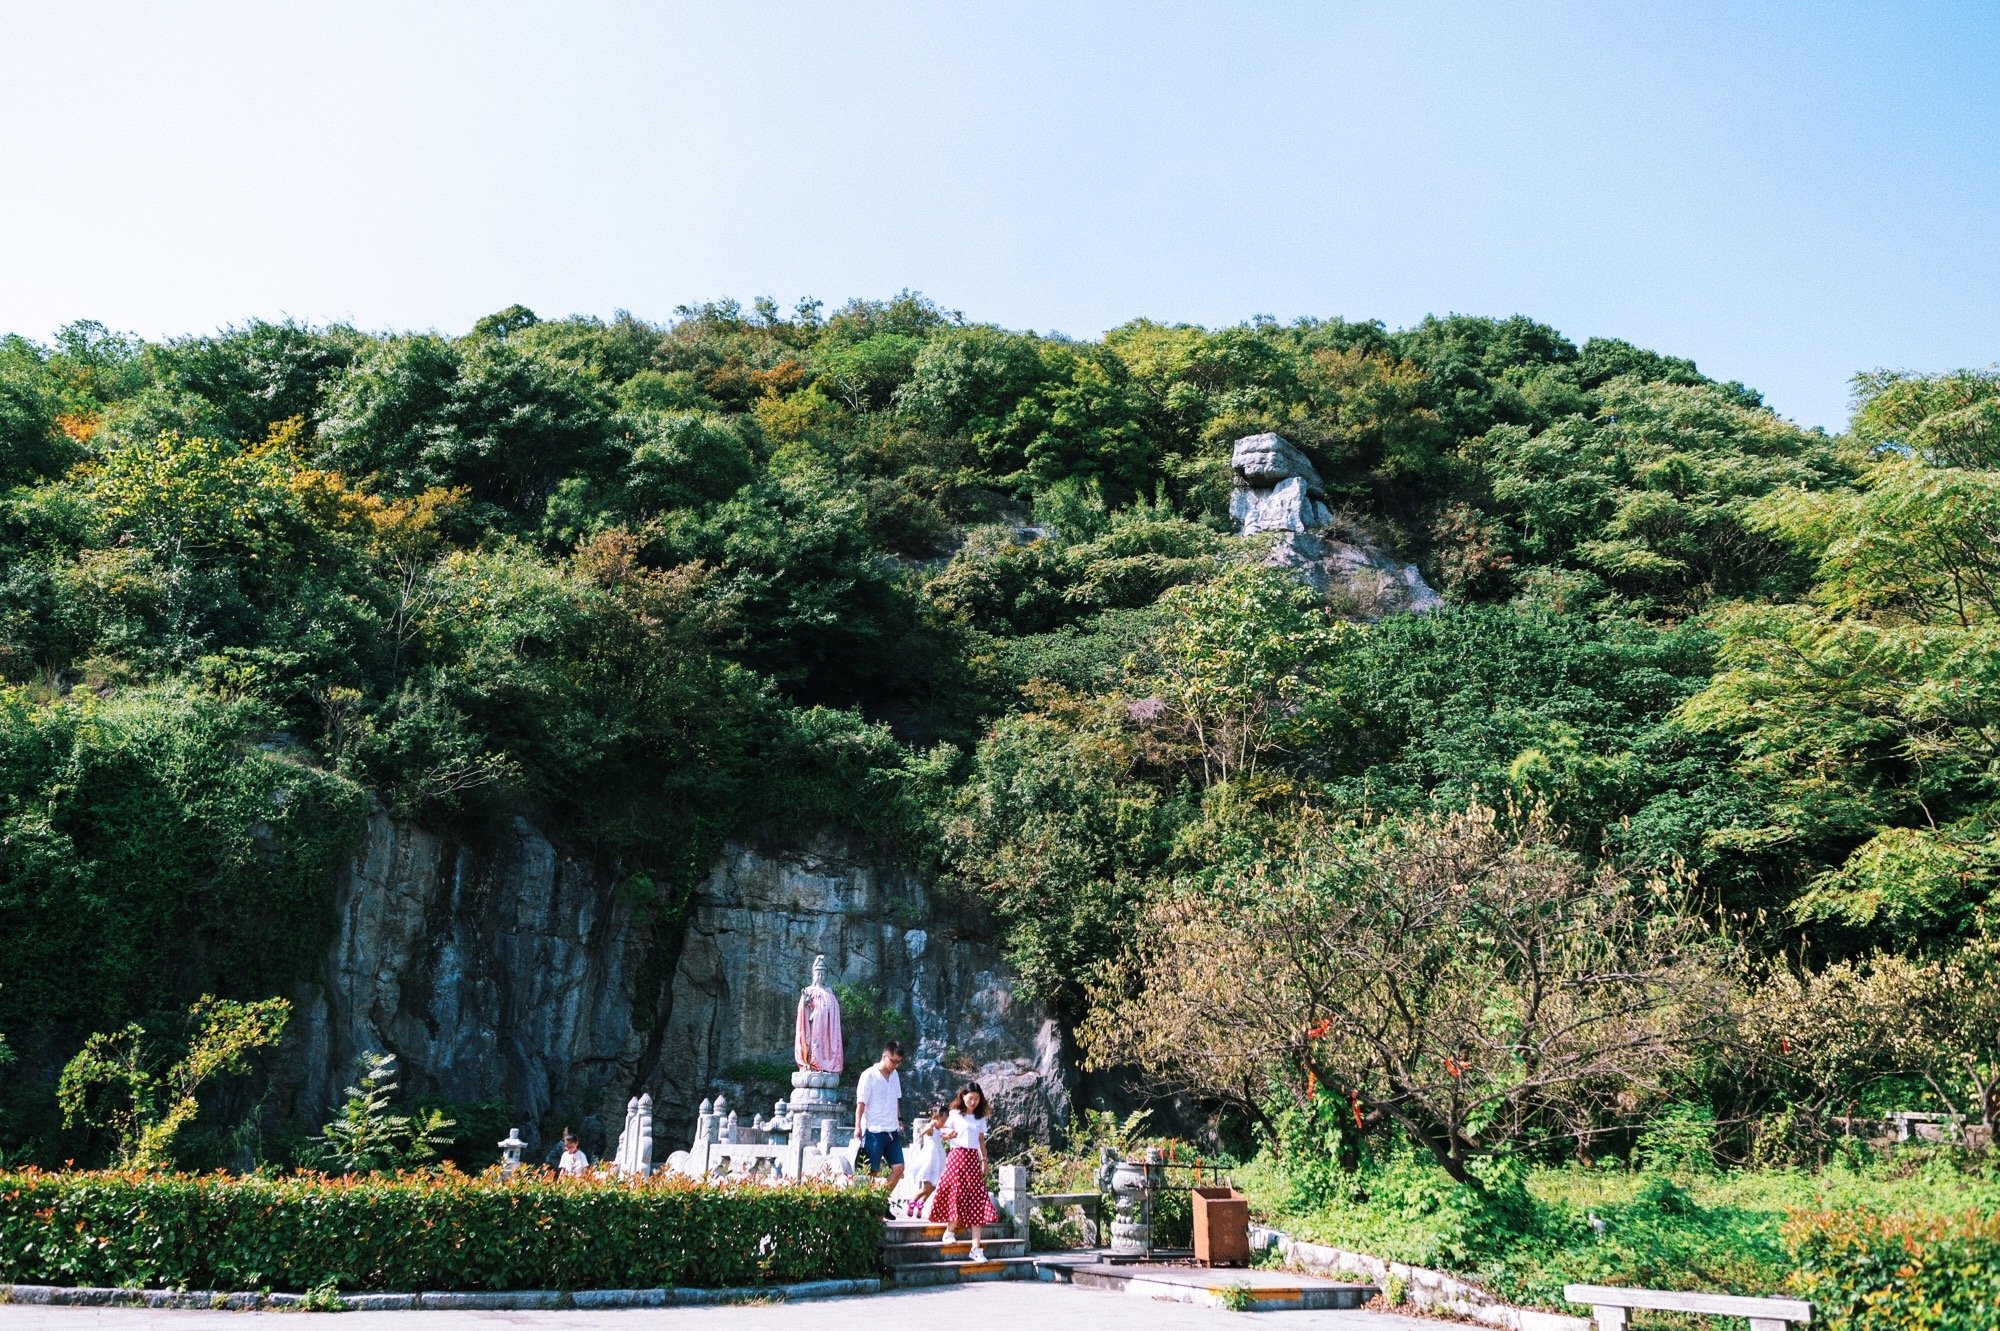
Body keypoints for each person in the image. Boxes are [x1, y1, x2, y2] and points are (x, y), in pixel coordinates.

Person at [926, 1081, 998, 1261]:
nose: (973, 1102)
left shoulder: (980, 1119)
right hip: (957, 1158)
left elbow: (981, 1141)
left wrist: (984, 1160)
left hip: (973, 1160)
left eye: (976, 1099)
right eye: (970, 1098)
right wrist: (947, 1135)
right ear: (963, 1096)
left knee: (977, 1201)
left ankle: (976, 1248)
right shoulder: (954, 1114)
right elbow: (941, 1132)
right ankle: (949, 1232)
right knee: (956, 1195)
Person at [852, 1040, 904, 1192]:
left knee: (899, 1168)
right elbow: (860, 1104)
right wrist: (857, 1127)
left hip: (892, 1130)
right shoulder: (868, 1075)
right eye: (893, 1061)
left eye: (898, 1062)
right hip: (873, 1130)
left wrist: (899, 1119)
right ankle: (869, 1208)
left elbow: (896, 1099)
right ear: (884, 1056)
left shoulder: (895, 1076)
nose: (895, 1065)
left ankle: (880, 1201)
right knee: (871, 1173)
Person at [898, 1103, 948, 1219]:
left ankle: (920, 1204)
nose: (944, 1123)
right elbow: (922, 1131)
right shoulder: (931, 1128)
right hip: (929, 1162)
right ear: (935, 1118)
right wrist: (931, 1124)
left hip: (937, 1161)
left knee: (934, 1186)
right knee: (927, 1187)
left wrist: (950, 1136)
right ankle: (912, 1201)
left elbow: (942, 1137)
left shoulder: (938, 1130)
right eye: (942, 1120)